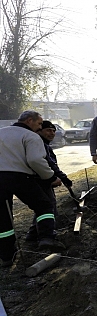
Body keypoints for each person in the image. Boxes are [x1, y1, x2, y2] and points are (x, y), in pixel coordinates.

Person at [0, 111, 64, 266]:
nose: (40, 127)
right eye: (40, 123)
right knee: (43, 205)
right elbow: (35, 160)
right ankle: (46, 238)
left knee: (3, 218)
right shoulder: (31, 136)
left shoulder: (1, 132)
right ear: (30, 121)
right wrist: (50, 177)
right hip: (20, 177)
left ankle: (6, 256)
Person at [24, 121, 73, 242]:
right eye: (48, 130)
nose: (52, 133)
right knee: (48, 206)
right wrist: (62, 177)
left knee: (43, 206)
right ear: (39, 131)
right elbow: (50, 164)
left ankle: (33, 234)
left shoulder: (43, 144)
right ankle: (46, 236)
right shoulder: (39, 144)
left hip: (41, 179)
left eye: (53, 131)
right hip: (39, 179)